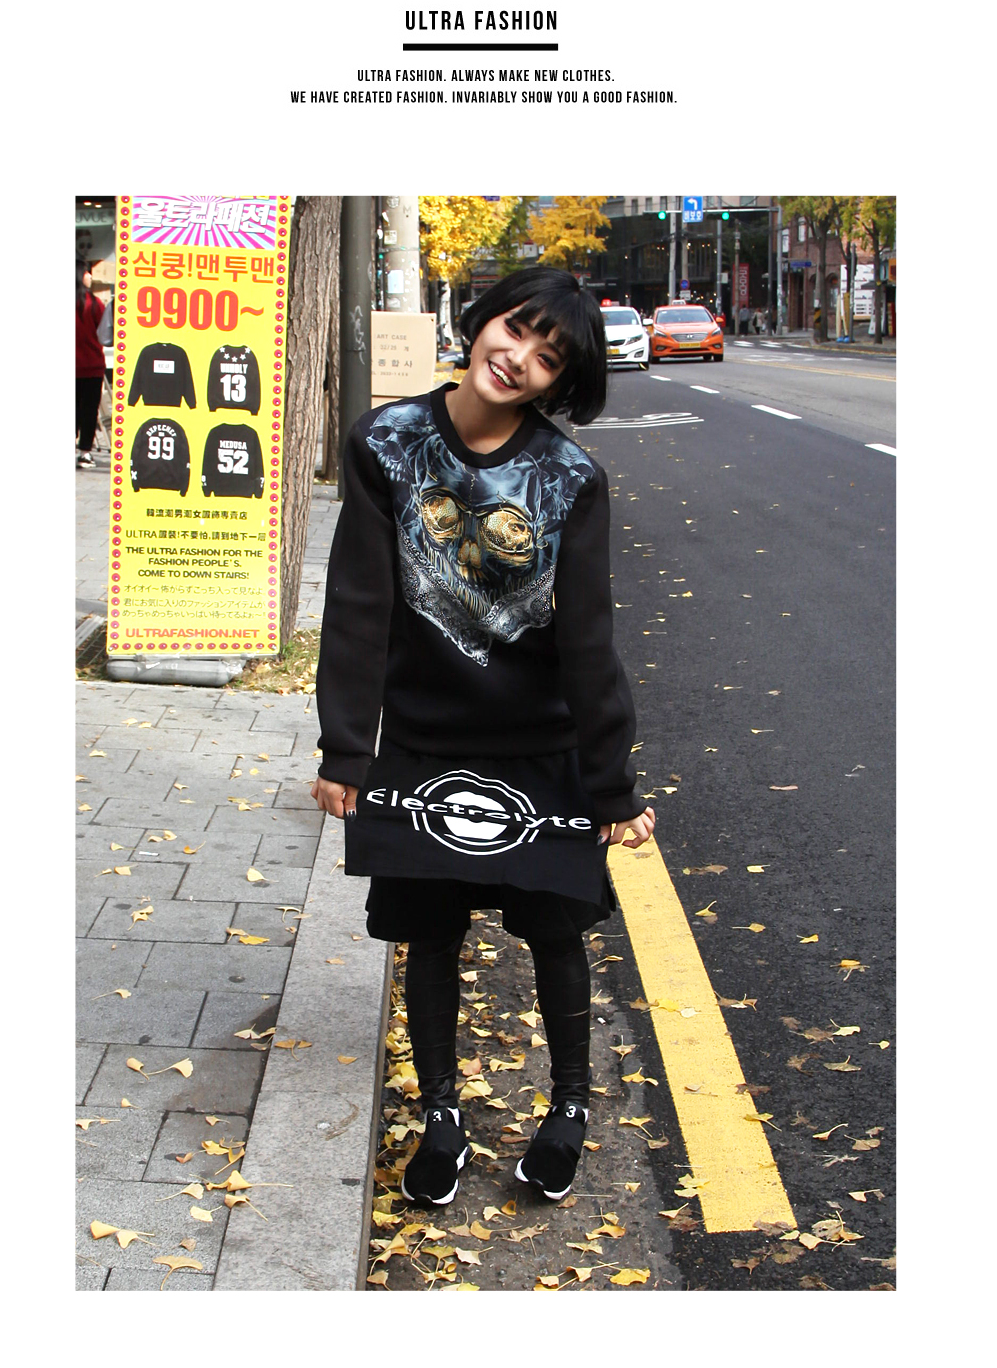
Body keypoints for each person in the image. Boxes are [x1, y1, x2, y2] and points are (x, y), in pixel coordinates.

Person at [312, 266, 655, 1207]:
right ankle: (441, 1118)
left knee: (555, 930)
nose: (519, 358)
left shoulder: (570, 479)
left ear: (560, 382)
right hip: (423, 743)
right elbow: (359, 605)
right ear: (482, 321)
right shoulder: (386, 441)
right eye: (516, 329)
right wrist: (346, 748)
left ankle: (570, 1107)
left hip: (542, 747)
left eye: (549, 357)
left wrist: (612, 786)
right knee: (428, 935)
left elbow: (589, 642)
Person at [76, 260, 106, 469]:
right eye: (88, 272)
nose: (90, 276)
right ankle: (85, 453)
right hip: (92, 367)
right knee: (89, 412)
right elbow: (105, 335)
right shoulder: (95, 304)